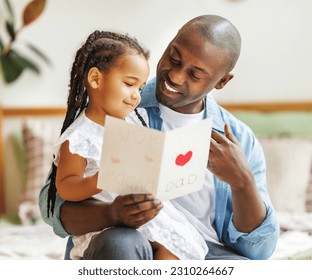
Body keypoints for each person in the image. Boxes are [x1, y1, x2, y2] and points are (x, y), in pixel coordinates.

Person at [39, 15, 280, 260]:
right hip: (128, 243)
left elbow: (259, 250)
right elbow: (52, 204)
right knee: (120, 241)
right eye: (173, 57)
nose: (175, 76)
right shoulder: (118, 105)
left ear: (222, 81)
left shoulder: (238, 139)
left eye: (195, 75)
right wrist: (111, 214)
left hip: (207, 253)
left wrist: (242, 182)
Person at [47, 30, 208, 260]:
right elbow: (65, 185)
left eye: (140, 88)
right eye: (129, 84)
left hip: (146, 213)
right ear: (95, 79)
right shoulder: (80, 137)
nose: (136, 96)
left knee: (175, 249)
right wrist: (99, 179)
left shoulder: (133, 120)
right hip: (109, 227)